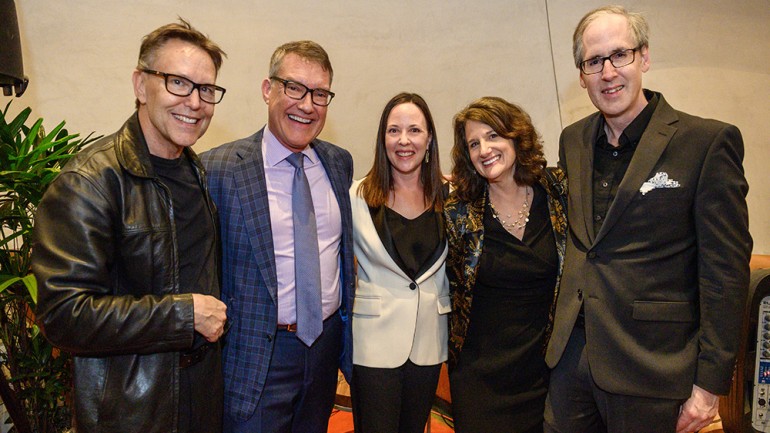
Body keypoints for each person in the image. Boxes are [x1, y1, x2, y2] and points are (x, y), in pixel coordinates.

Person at [543, 6, 752, 433]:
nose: (608, 72)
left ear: (645, 57)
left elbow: (724, 275)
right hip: (571, 362)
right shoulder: (573, 140)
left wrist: (710, 386)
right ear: (581, 75)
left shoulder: (706, 143)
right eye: (594, 61)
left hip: (653, 368)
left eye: (620, 55)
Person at [32, 19, 228, 433]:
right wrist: (182, 315)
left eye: (206, 89)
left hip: (201, 394)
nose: (194, 102)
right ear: (141, 86)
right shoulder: (89, 183)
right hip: (133, 409)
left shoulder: (195, 170)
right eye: (178, 82)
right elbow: (64, 315)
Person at [201, 40, 354, 433]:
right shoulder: (218, 169)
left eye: (320, 93)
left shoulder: (338, 163)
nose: (307, 105)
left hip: (323, 349)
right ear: (268, 90)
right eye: (294, 88)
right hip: (256, 357)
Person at [445, 96, 567, 433]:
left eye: (493, 136)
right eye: (473, 143)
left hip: (548, 374)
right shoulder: (458, 211)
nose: (484, 149)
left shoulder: (557, 193)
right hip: (480, 379)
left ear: (516, 137)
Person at [350, 92, 450, 433]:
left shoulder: (451, 196)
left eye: (414, 130)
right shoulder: (355, 196)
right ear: (383, 138)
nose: (404, 140)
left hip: (428, 342)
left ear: (430, 138)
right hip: (373, 343)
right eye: (394, 131)